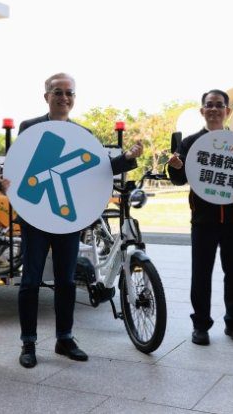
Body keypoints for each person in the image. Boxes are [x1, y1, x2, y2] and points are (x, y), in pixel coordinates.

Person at [14, 73, 141, 368]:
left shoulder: (83, 134)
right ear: (46, 96)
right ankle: (28, 342)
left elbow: (98, 170)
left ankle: (65, 338)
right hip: (36, 218)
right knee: (30, 281)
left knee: (66, 281)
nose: (64, 97)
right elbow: (20, 166)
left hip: (67, 219)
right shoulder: (30, 128)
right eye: (57, 92)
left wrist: (127, 158)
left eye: (69, 93)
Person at [167, 89, 233, 346]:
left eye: (220, 105)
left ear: (227, 111)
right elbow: (178, 178)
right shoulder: (189, 143)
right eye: (209, 105)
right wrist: (174, 166)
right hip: (203, 221)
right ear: (202, 110)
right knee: (201, 274)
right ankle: (200, 325)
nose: (214, 109)